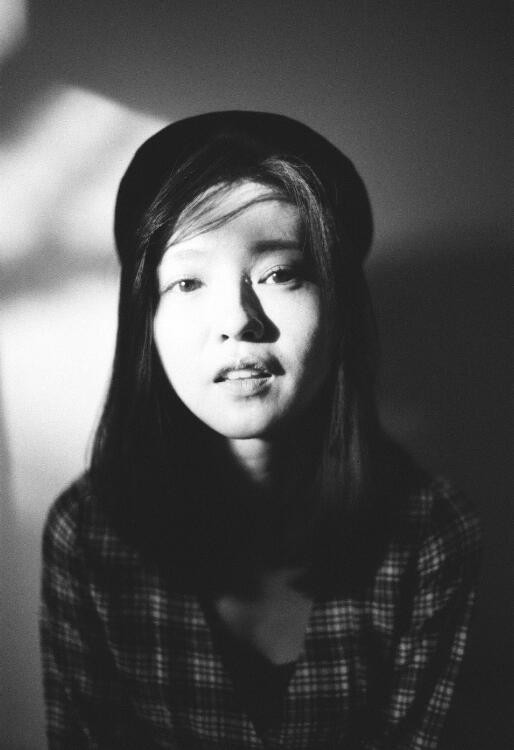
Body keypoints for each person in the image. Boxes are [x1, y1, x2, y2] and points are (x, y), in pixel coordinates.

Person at [40, 111, 482, 749]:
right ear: (147, 321)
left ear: (339, 305)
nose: (237, 320)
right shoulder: (87, 536)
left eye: (280, 274)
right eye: (187, 281)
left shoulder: (431, 535)